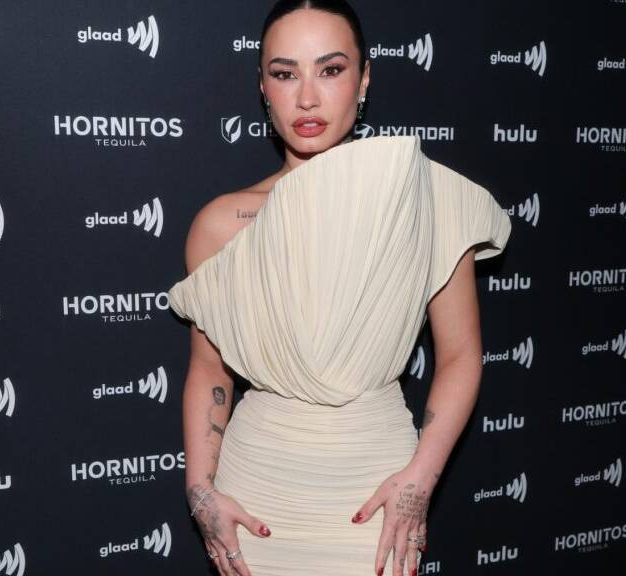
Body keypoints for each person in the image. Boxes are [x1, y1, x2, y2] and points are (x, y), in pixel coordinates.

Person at [166, 1, 512, 574]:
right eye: (285, 74)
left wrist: (418, 482)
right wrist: (201, 492)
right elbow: (209, 372)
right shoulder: (221, 224)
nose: (307, 97)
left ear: (364, 79)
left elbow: (460, 356)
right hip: (257, 500)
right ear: (263, 86)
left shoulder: (419, 200)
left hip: (376, 496)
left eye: (330, 69)